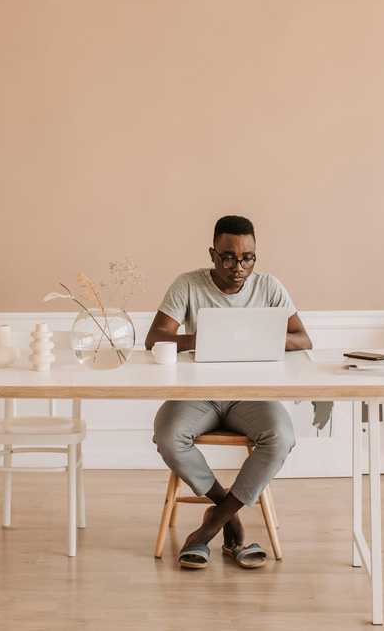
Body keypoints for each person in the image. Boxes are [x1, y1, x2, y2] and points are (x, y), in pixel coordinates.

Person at [146, 215, 312, 570]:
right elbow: (155, 338)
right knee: (168, 435)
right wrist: (207, 337)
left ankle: (206, 530)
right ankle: (227, 518)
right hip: (198, 394)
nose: (238, 267)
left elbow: (303, 339)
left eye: (247, 258)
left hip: (251, 395)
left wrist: (260, 338)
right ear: (212, 253)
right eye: (227, 257)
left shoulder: (269, 287)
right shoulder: (187, 285)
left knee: (281, 436)